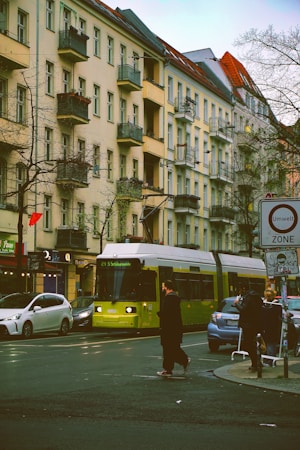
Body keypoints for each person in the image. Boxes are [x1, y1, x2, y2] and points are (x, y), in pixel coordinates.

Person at [157, 280, 191, 377]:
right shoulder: (175, 297)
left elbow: (167, 313)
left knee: (168, 348)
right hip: (175, 328)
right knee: (173, 347)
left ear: (167, 287)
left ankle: (170, 368)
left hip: (169, 328)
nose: (162, 289)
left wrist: (160, 314)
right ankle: (181, 362)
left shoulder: (169, 298)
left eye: (163, 287)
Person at [234, 282, 263, 371]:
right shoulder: (255, 296)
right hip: (255, 324)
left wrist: (236, 304)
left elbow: (244, 310)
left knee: (248, 345)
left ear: (243, 288)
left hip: (248, 325)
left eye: (240, 290)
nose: (240, 292)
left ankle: (256, 363)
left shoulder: (249, 297)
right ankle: (257, 363)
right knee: (253, 344)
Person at [261, 289, 282, 362]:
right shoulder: (263, 304)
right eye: (266, 296)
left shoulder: (277, 305)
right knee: (264, 344)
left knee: (271, 344)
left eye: (269, 296)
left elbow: (278, 316)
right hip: (264, 327)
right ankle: (265, 359)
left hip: (273, 328)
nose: (268, 298)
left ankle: (271, 360)